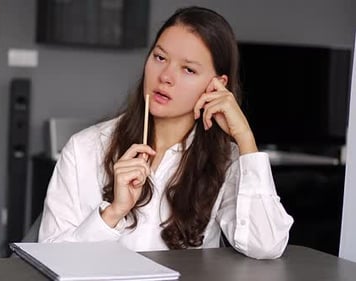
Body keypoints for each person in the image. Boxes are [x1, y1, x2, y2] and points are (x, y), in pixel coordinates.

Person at [37, 6, 293, 259]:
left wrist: (245, 138)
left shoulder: (227, 160)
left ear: (217, 85)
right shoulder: (85, 148)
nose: (166, 77)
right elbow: (49, 258)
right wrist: (113, 213)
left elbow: (266, 246)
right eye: (160, 58)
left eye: (188, 69)